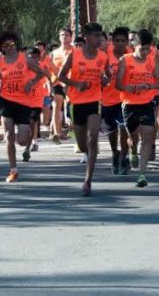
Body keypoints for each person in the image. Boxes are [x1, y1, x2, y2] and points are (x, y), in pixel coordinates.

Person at [57, 23, 109, 196]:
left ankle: (88, 181)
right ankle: (87, 151)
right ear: (86, 37)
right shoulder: (75, 54)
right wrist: (77, 84)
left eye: (100, 36)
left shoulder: (103, 56)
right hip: (77, 102)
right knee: (82, 143)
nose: (99, 39)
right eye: (95, 36)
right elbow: (61, 76)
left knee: (92, 137)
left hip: (94, 100)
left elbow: (107, 76)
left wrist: (105, 81)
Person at [0, 31, 50, 183]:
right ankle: (13, 170)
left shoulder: (25, 59)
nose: (10, 47)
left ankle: (28, 135)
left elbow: (41, 73)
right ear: (2, 48)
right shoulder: (0, 63)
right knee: (8, 135)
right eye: (6, 45)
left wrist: (31, 82)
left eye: (12, 44)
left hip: (23, 103)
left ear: (15, 44)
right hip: (6, 101)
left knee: (23, 140)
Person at [116, 29, 159, 188]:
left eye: (148, 49)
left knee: (147, 137)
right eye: (142, 49)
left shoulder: (151, 61)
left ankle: (142, 174)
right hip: (129, 104)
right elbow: (118, 85)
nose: (145, 52)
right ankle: (132, 152)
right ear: (134, 45)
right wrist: (131, 88)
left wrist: (150, 86)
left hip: (147, 103)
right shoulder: (125, 60)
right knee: (133, 137)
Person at [101, 27, 131, 175]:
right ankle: (115, 153)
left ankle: (125, 156)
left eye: (123, 41)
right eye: (117, 41)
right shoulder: (106, 56)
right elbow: (99, 74)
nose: (120, 43)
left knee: (124, 128)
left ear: (127, 41)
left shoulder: (131, 56)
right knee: (111, 131)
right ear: (113, 42)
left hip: (126, 99)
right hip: (107, 100)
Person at [49, 28, 74, 143]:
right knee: (56, 106)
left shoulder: (75, 51)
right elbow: (51, 70)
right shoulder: (54, 53)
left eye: (67, 35)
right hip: (57, 83)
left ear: (71, 37)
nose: (65, 37)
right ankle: (56, 134)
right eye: (62, 35)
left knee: (72, 108)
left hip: (72, 83)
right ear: (59, 37)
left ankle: (71, 130)